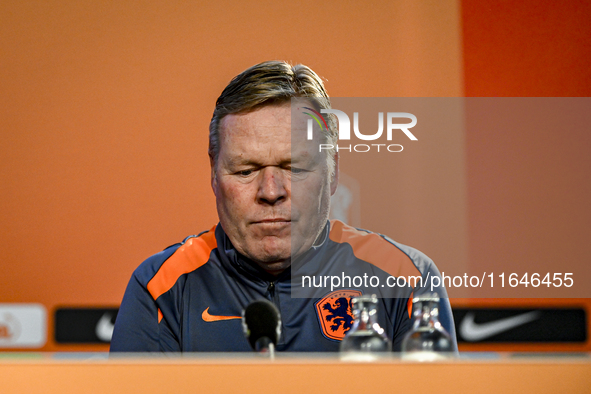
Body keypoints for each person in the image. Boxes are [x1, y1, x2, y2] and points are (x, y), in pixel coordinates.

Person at [110, 61, 457, 352]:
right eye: (246, 170)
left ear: (332, 173)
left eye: (295, 168)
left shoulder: (407, 279)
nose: (271, 191)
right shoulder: (161, 287)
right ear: (214, 175)